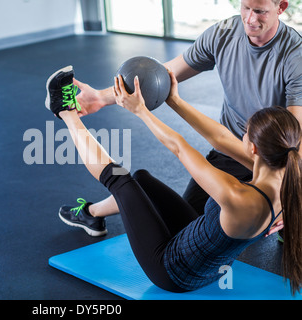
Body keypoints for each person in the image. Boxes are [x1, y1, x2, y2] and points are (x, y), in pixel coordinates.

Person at [44, 65, 302, 294]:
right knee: (142, 179)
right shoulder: (289, 177)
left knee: (119, 180)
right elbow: (221, 139)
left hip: (173, 272)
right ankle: (91, 213)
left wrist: (141, 111)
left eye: (245, 133)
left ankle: (65, 111)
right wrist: (174, 100)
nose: (241, 136)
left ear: (255, 149)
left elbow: (179, 147)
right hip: (211, 259)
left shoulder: (238, 197)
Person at [59, 0, 302, 238]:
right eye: (245, 8)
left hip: (273, 158)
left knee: (284, 227)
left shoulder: (295, 56)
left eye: (259, 11)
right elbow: (160, 78)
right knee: (184, 226)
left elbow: (294, 142)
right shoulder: (223, 34)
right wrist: (101, 97)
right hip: (230, 149)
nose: (249, 19)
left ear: (281, 7)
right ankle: (93, 212)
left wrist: (289, 194)